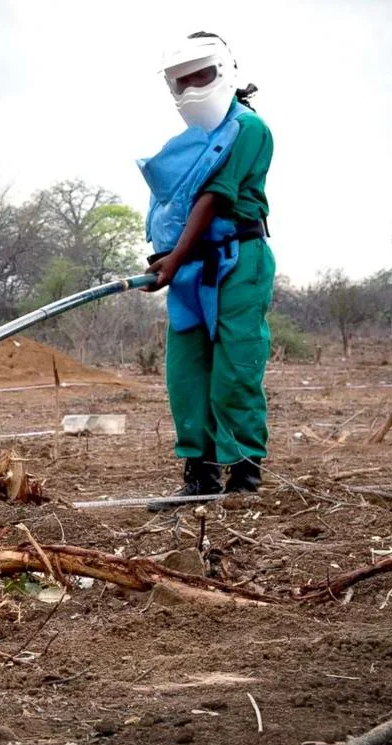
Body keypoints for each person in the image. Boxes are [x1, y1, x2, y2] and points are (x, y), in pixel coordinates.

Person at [138, 31, 275, 497]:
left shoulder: (249, 129)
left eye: (202, 75)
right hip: (190, 267)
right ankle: (199, 474)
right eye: (182, 80)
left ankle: (243, 473)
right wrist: (168, 256)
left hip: (239, 259)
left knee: (235, 368)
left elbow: (217, 197)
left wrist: (174, 259)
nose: (193, 88)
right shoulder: (190, 141)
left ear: (225, 71)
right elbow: (174, 204)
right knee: (186, 374)